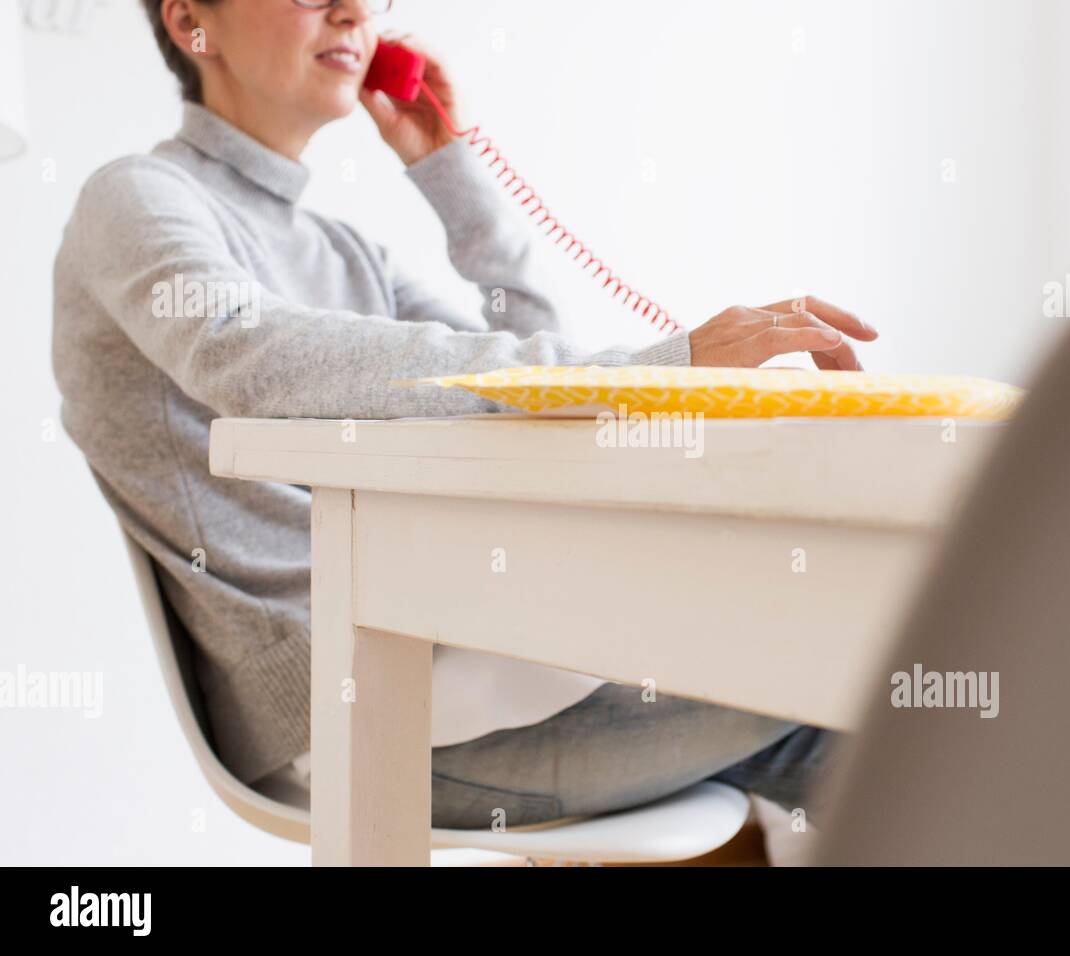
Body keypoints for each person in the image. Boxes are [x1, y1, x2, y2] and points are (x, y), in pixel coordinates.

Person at [52, 0, 874, 843]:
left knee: (883, 732)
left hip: (471, 655)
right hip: (360, 713)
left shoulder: (346, 252)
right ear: (192, 21)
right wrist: (654, 368)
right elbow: (250, 358)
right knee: (857, 663)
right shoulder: (136, 198)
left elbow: (531, 372)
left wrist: (449, 170)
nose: (350, 12)